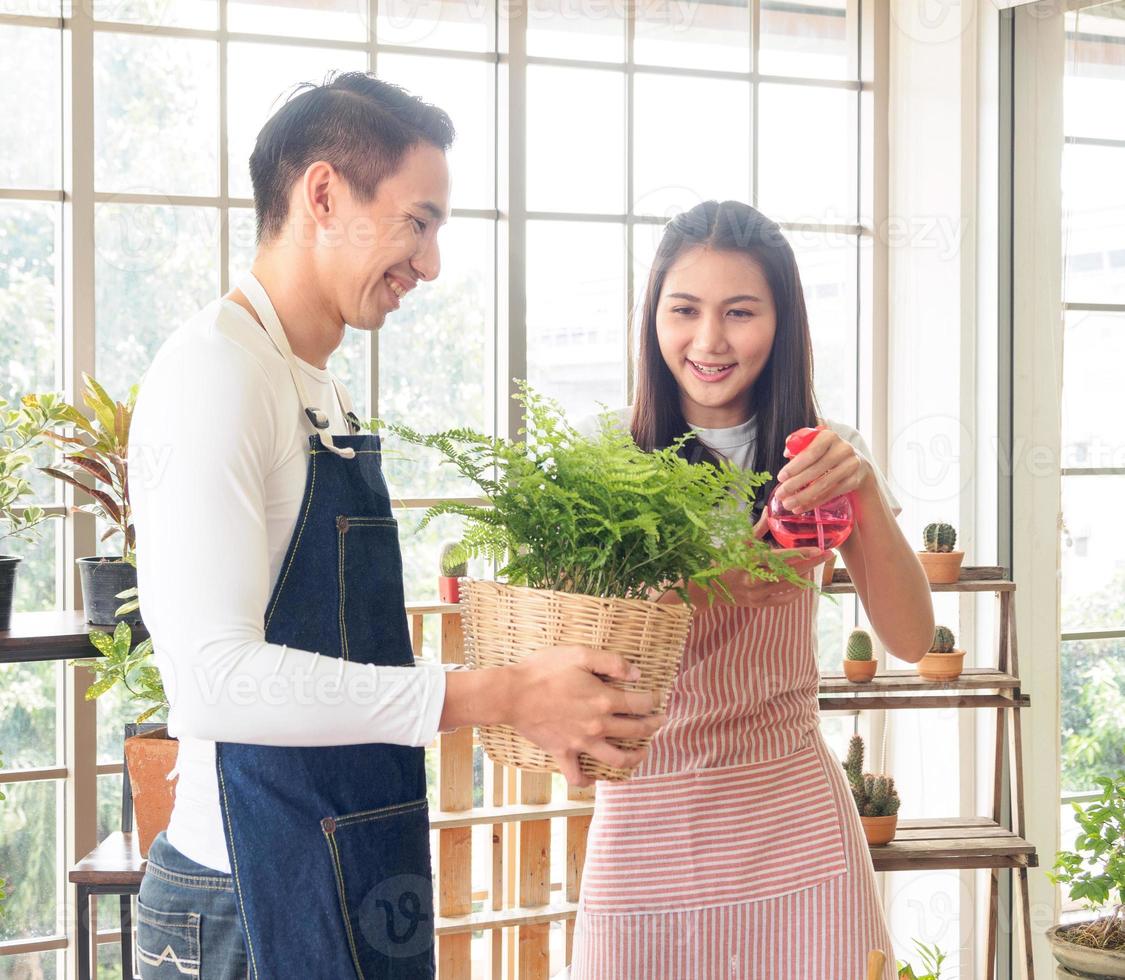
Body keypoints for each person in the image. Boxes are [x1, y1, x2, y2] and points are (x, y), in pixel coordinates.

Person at [127, 72, 664, 980]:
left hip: (340, 862)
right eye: (419, 221)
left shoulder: (316, 385)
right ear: (325, 195)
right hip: (245, 898)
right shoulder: (216, 375)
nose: (432, 262)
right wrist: (498, 694)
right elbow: (215, 682)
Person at [568, 200, 935, 980]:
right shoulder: (608, 465)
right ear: (652, 321)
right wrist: (733, 580)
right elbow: (587, 659)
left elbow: (907, 638)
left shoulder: (822, 455)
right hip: (645, 824)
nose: (707, 341)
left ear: (782, 322)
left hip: (791, 816)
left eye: (739, 312)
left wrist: (862, 490)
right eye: (684, 311)